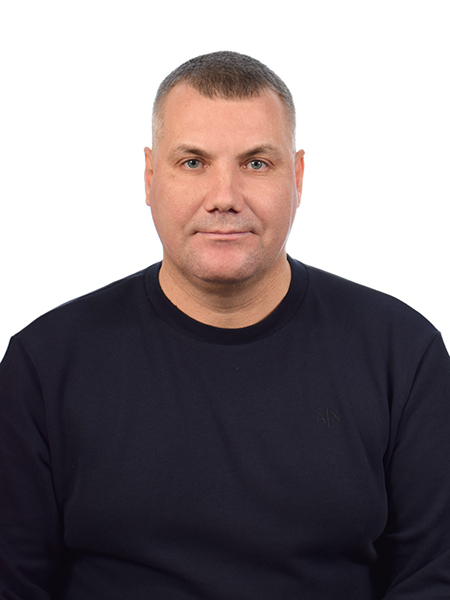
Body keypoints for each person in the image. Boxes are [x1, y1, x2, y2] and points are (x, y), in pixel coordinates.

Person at [1, 51, 449, 600]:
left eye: (256, 164)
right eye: (193, 163)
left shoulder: (402, 354)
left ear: (297, 176)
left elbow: (433, 576)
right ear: (149, 177)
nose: (224, 198)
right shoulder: (45, 364)